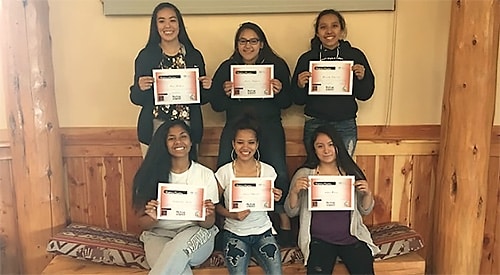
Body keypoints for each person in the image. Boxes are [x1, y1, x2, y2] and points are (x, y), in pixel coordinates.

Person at [210, 22, 293, 246]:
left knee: (278, 174)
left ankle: (282, 221)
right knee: (225, 173)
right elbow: (215, 105)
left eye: (253, 40)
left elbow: (288, 102)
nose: (248, 45)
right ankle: (222, 224)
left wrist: (280, 90)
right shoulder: (227, 67)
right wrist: (225, 92)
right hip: (236, 131)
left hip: (270, 129)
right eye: (243, 41)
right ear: (237, 45)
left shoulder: (277, 65)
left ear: (262, 43)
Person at [284, 125, 380, 275]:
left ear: (338, 146)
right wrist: (295, 192)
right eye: (320, 146)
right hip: (318, 240)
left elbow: (365, 210)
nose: (326, 150)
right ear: (314, 150)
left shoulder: (349, 172)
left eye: (330, 145)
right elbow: (290, 212)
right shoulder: (305, 173)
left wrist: (367, 194)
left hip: (351, 237)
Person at [132, 120, 219, 275]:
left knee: (175, 250)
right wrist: (153, 217)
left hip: (195, 231)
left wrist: (207, 215)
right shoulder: (149, 176)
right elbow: (142, 224)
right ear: (164, 144)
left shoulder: (205, 175)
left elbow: (208, 224)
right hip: (157, 234)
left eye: (183, 136)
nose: (178, 142)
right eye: (171, 138)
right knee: (177, 267)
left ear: (191, 142)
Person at [129, 2, 212, 157]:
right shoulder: (146, 56)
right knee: (154, 178)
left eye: (172, 20)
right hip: (155, 126)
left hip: (188, 127)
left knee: (186, 177)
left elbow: (203, 99)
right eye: (161, 21)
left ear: (179, 24)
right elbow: (136, 98)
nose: (168, 25)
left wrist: (207, 87)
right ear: (155, 26)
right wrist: (140, 87)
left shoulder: (193, 55)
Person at [291, 9, 375, 156]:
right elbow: (297, 100)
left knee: (344, 170)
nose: (329, 31)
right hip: (315, 123)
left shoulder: (355, 55)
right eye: (323, 27)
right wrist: (299, 85)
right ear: (317, 33)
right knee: (316, 169)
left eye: (334, 26)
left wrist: (362, 77)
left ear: (342, 30)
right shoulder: (307, 59)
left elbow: (365, 94)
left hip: (345, 123)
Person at [215, 114, 283, 275]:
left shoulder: (268, 171)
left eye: (251, 142)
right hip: (234, 233)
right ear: (233, 144)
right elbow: (214, 205)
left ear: (257, 144)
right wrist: (231, 214)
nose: (245, 147)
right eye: (240, 142)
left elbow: (270, 201)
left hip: (263, 232)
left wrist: (276, 197)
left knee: (276, 273)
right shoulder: (224, 172)